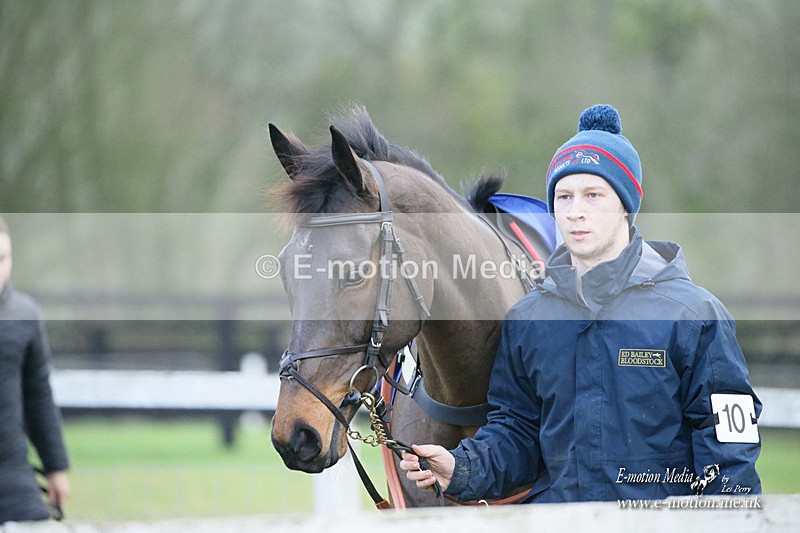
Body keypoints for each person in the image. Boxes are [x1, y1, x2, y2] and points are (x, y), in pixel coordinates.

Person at [399, 105, 761, 502]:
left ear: (626, 204)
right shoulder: (527, 319)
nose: (576, 213)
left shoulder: (696, 316)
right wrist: (462, 467)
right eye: (564, 197)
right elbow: (517, 434)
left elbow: (731, 453)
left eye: (593, 196)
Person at [0, 216, 70, 522]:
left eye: (2, 259)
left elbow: (38, 394)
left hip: (10, 472)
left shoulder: (24, 314)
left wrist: (56, 467)